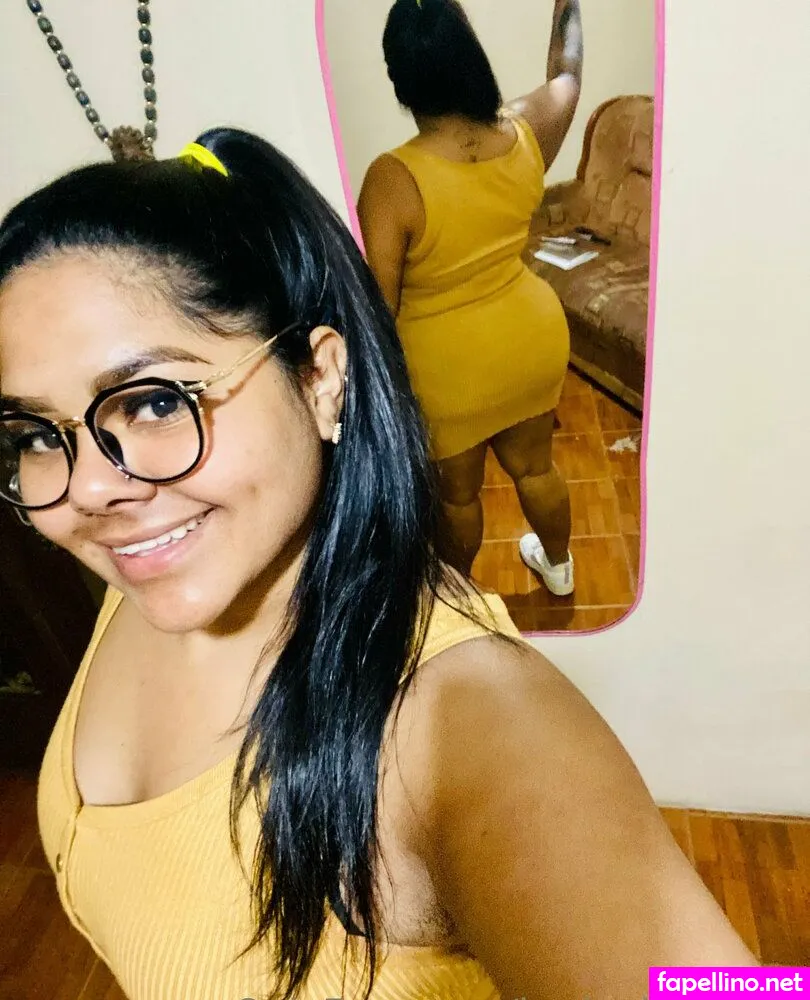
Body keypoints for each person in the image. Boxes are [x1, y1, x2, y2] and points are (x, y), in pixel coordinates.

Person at [0, 131, 754, 1000]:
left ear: (321, 378)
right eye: (34, 434)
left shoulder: (470, 725)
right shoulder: (153, 568)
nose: (89, 490)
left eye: (156, 401)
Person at [358, 0, 585, 596]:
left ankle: (460, 603)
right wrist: (567, 6)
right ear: (471, 57)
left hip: (448, 371)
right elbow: (567, 72)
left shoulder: (392, 178)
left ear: (400, 80)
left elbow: (379, 311)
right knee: (536, 468)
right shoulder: (525, 130)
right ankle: (559, 569)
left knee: (458, 499)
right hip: (532, 337)